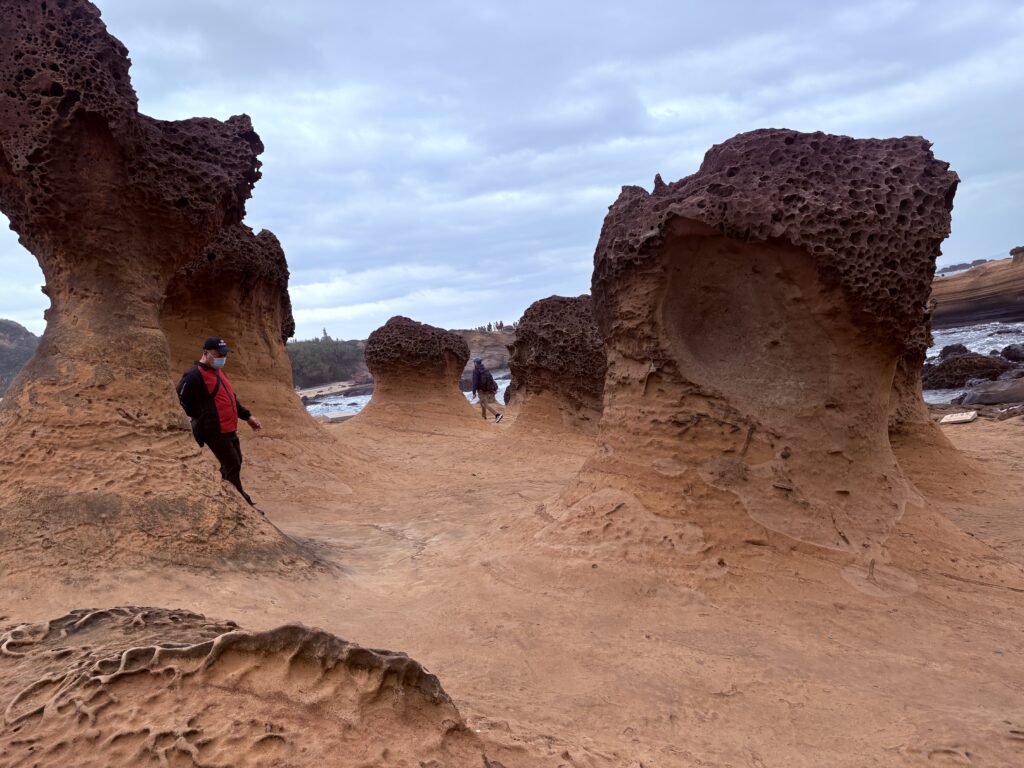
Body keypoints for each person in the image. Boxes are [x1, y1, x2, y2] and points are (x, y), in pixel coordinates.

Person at [176, 337, 262, 506]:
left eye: (224, 354)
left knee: (235, 462)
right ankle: (242, 503)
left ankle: (228, 495)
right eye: (218, 354)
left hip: (229, 428)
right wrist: (195, 415)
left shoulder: (219, 372)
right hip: (213, 431)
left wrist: (248, 417)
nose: (222, 357)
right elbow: (178, 398)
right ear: (205, 353)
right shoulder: (193, 375)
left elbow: (231, 400)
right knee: (232, 464)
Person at [471, 356, 503, 423]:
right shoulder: (485, 369)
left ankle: (497, 415)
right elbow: (491, 379)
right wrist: (493, 388)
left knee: (484, 403)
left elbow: (475, 382)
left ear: (476, 363)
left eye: (474, 362)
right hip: (487, 389)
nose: (474, 363)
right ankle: (483, 417)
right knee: (482, 402)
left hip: (481, 390)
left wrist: (474, 393)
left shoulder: (476, 371)